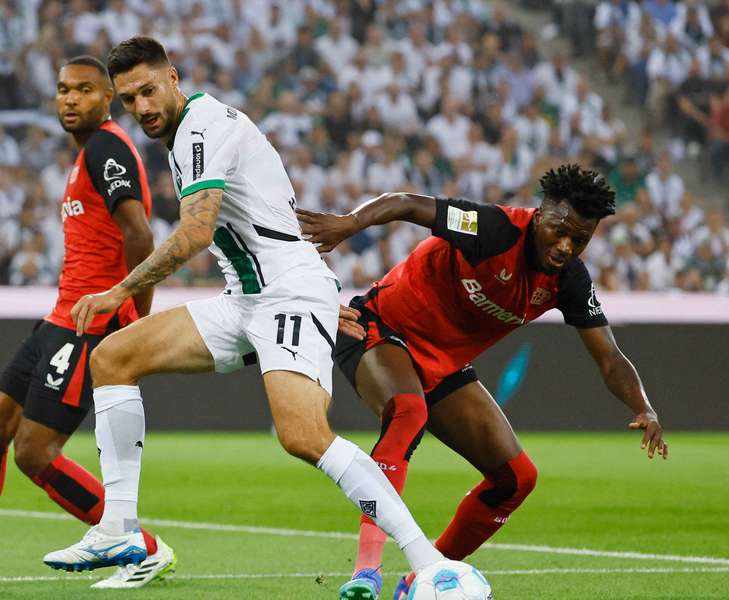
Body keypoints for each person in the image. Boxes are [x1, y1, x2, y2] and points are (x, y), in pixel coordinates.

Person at [42, 37, 486, 598]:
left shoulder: (203, 127)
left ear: (173, 77)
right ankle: (118, 529)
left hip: (286, 294)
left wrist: (119, 291)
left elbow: (196, 235)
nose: (143, 107)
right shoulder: (183, 134)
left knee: (303, 435)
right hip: (253, 296)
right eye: (130, 99)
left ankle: (430, 565)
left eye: (149, 90)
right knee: (113, 358)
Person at [296, 164, 668, 600]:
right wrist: (349, 223)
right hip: (378, 327)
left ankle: (423, 578)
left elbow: (610, 357)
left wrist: (643, 406)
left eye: (580, 239)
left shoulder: (568, 281)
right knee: (408, 412)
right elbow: (408, 204)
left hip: (444, 365)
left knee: (516, 478)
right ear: (541, 212)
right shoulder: (492, 229)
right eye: (559, 231)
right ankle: (365, 574)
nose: (566, 246)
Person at [0, 56, 175, 591]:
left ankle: (143, 548)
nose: (71, 99)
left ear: (107, 97)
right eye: (64, 90)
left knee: (35, 452)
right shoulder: (85, 154)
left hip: (90, 323)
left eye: (84, 90)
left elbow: (140, 235)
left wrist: (136, 314)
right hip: (60, 318)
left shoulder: (107, 148)